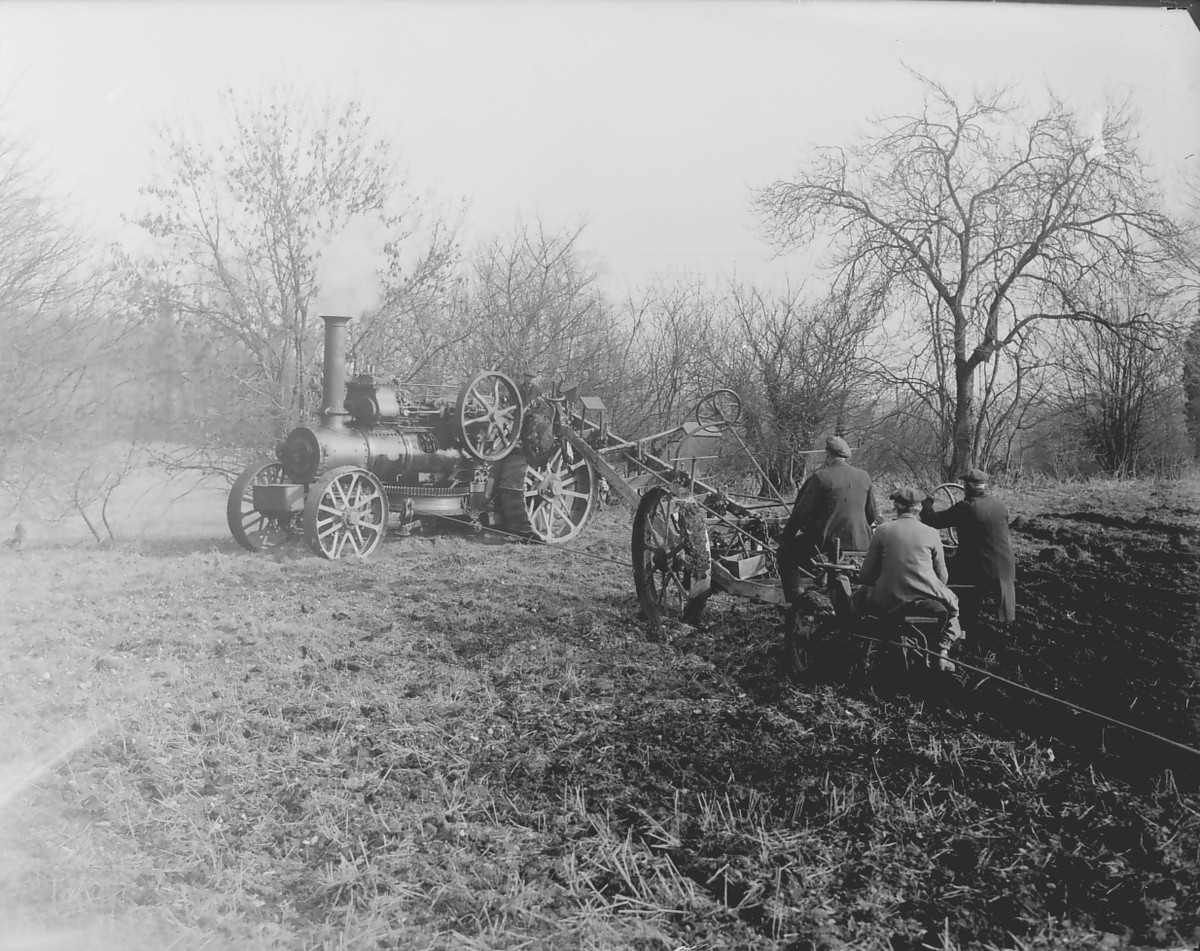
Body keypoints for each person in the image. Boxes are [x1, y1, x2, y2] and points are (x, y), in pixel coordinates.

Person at [853, 486, 963, 671]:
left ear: (896, 507)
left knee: (859, 598)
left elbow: (867, 575)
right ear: (919, 509)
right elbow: (943, 576)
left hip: (887, 603)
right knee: (954, 609)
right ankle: (943, 653)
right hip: (925, 602)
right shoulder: (932, 533)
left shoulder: (883, 530)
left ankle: (858, 648)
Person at [776, 435, 877, 623]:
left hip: (827, 542)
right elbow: (872, 515)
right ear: (845, 456)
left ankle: (798, 602)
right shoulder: (864, 476)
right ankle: (825, 580)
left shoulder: (821, 477)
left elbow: (800, 513)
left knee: (785, 553)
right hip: (861, 542)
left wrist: (786, 536)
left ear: (827, 455)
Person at [920, 467, 1016, 635]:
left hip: (979, 567)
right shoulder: (1000, 505)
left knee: (947, 580)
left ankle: (959, 625)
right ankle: (1007, 628)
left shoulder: (966, 507)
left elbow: (932, 521)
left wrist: (927, 504)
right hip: (1005, 565)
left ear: (967, 487)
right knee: (1004, 605)